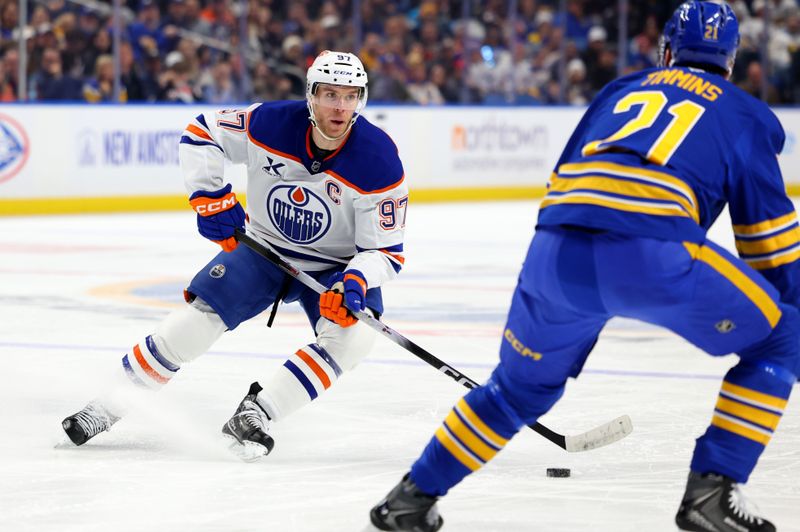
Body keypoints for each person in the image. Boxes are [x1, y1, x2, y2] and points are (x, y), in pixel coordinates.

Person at [369, 3, 799, 531]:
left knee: (518, 388)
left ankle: (409, 501)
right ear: (730, 64)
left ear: (666, 53)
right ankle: (713, 493)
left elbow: (564, 179)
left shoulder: (619, 90)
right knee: (784, 337)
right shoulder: (746, 113)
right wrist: (785, 312)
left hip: (555, 253)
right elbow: (769, 243)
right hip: (652, 249)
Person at [61, 50, 408, 462]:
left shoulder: (379, 160)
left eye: (350, 96)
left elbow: (384, 250)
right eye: (330, 93)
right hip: (265, 248)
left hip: (334, 267)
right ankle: (109, 403)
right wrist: (209, 197)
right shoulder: (270, 123)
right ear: (311, 95)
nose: (339, 106)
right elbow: (201, 131)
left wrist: (356, 281)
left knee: (353, 340)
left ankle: (258, 412)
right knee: (197, 321)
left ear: (361, 100)